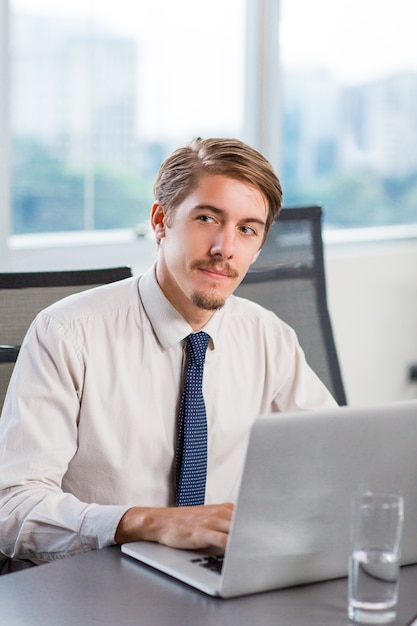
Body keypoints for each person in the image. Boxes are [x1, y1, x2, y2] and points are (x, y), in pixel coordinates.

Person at [0, 137, 336, 565]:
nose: (224, 247)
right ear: (161, 220)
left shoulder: (268, 335)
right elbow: (12, 507)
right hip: (96, 576)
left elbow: (332, 461)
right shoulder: (67, 332)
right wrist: (152, 522)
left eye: (247, 229)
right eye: (207, 218)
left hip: (217, 572)